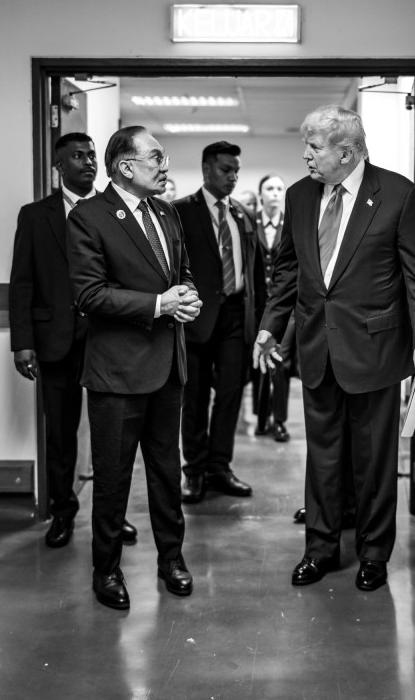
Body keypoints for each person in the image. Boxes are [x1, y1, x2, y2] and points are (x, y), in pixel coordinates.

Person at [254, 105, 415, 592]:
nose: (306, 156)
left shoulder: (398, 194)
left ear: (348, 152)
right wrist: (270, 326)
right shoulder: (299, 196)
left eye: (314, 147)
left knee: (374, 461)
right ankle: (319, 549)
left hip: (375, 350)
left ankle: (374, 554)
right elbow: (288, 269)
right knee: (322, 457)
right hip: (318, 347)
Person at [68, 126, 202, 610]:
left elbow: (181, 273)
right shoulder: (89, 217)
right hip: (117, 374)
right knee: (113, 479)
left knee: (166, 474)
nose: (166, 166)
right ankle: (106, 570)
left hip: (167, 369)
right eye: (157, 158)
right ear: (126, 166)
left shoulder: (166, 212)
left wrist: (187, 297)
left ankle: (172, 560)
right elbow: (89, 294)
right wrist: (160, 305)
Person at [9, 132, 136, 548]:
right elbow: (22, 282)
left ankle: (112, 516)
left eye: (92, 155)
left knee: (111, 436)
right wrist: (22, 341)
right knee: (61, 435)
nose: (89, 162)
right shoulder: (35, 215)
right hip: (55, 340)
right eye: (78, 156)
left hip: (105, 338)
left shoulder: (113, 210)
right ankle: (62, 511)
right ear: (59, 166)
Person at [173, 142, 263, 503]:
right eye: (226, 169)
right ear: (206, 169)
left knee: (230, 396)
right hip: (196, 316)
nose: (233, 176)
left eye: (236, 170)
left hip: (236, 316)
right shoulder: (180, 212)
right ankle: (194, 471)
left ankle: (219, 467)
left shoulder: (243, 214)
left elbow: (255, 271)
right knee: (194, 399)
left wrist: (262, 323)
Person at [252, 174, 294, 443]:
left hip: (286, 309)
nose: (275, 193)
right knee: (258, 361)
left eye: (280, 188)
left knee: (280, 362)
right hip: (256, 306)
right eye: (270, 188)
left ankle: (279, 420)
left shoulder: (291, 224)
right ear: (261, 194)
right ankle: (261, 415)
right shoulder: (251, 222)